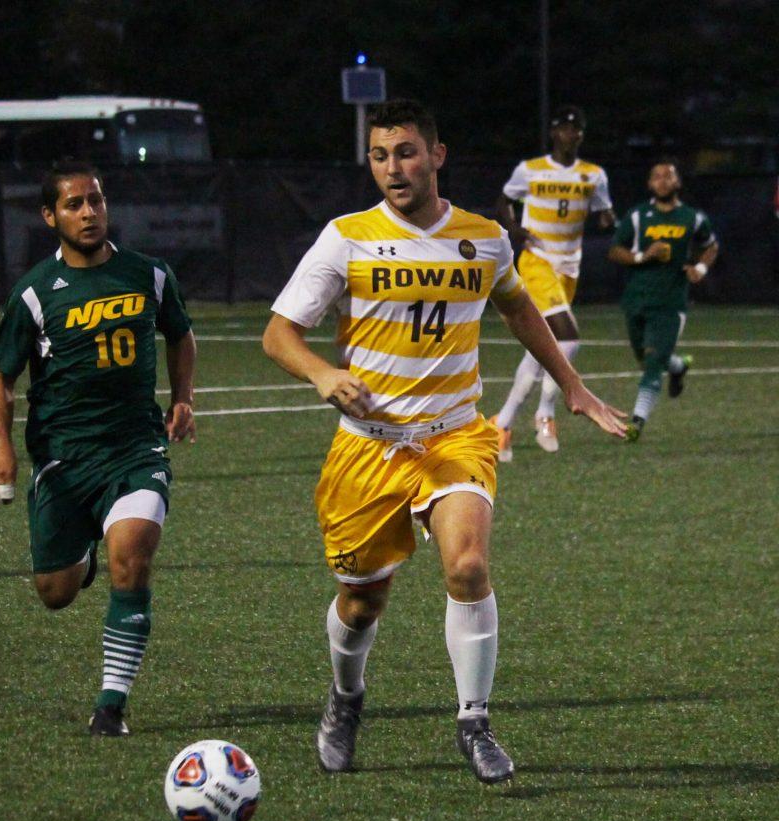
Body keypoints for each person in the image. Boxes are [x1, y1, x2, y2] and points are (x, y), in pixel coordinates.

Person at [261, 99, 625, 784]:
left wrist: (570, 383)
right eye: (379, 155)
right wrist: (322, 373)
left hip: (456, 436)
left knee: (467, 566)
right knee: (363, 601)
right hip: (367, 446)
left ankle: (474, 720)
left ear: (437, 155)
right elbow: (279, 333)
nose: (392, 168)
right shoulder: (346, 237)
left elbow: (517, 305)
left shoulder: (484, 237)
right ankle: (345, 698)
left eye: (405, 152)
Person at [0, 160, 196, 737]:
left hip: (135, 450)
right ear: (50, 216)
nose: (88, 212)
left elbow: (179, 332)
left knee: (134, 556)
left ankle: (111, 706)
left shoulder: (148, 275)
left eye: (96, 201)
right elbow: (1, 377)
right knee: (54, 593)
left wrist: (183, 398)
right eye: (74, 205)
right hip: (62, 457)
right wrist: (0, 446)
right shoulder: (32, 292)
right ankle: (82, 558)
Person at [489, 106, 616, 460]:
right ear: (553, 133)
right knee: (569, 336)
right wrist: (514, 229)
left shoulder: (593, 175)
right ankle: (545, 411)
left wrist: (609, 220)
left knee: (540, 347)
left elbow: (604, 212)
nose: (570, 135)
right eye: (563, 128)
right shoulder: (530, 170)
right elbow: (503, 201)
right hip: (537, 261)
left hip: (568, 268)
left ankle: (502, 423)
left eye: (576, 129)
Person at [609, 159, 718, 440]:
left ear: (677, 182)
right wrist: (642, 256)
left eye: (668, 176)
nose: (662, 181)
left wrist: (700, 268)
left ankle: (636, 423)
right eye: (656, 176)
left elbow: (711, 246)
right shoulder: (637, 216)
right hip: (637, 300)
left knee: (654, 363)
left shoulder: (692, 218)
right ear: (649, 184)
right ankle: (679, 366)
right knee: (646, 360)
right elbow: (614, 251)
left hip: (671, 303)